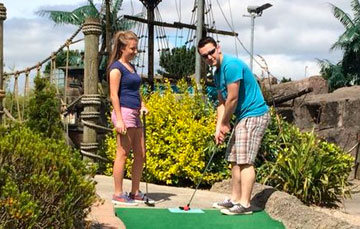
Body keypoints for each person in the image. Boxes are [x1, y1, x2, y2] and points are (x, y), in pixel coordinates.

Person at [197, 37, 270, 215]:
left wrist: (225, 123)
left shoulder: (231, 65)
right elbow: (222, 103)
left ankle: (245, 205)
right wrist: (218, 128)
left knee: (245, 160)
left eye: (211, 52)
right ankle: (235, 200)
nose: (209, 57)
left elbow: (233, 98)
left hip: (254, 114)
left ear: (218, 48)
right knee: (234, 158)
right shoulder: (216, 74)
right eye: (205, 56)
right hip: (242, 117)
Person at [107, 31, 151, 205]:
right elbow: (113, 95)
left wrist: (143, 105)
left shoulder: (131, 68)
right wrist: (119, 119)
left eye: (136, 48)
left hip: (135, 112)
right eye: (132, 48)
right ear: (122, 48)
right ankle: (118, 193)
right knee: (123, 153)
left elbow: (136, 92)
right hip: (124, 112)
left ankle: (135, 192)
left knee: (141, 154)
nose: (135, 51)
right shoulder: (116, 68)